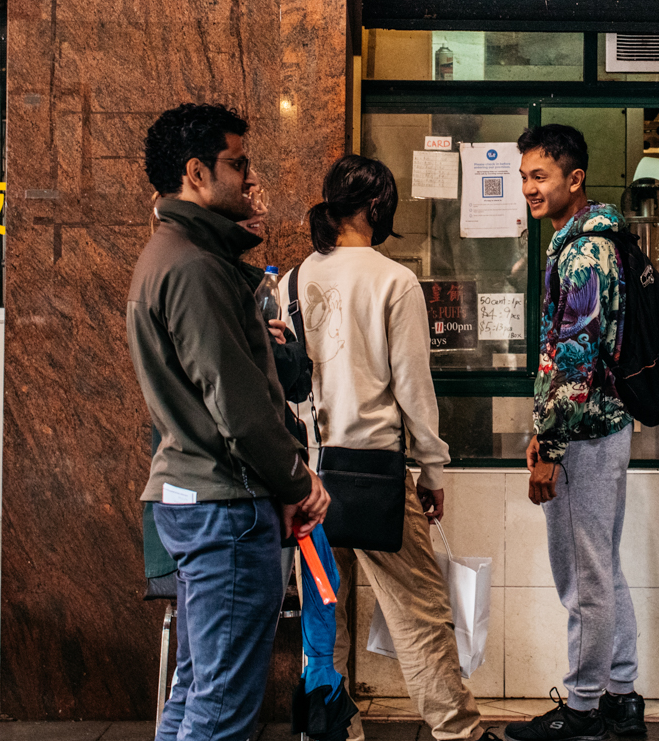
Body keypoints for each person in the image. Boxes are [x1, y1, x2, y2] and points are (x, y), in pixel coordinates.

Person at [127, 103, 330, 741]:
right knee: (220, 711)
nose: (248, 178)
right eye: (237, 163)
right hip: (225, 504)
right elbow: (238, 408)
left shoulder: (171, 256)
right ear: (196, 172)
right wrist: (297, 481)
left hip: (196, 499)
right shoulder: (195, 266)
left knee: (194, 692)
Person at [277, 154, 498, 741]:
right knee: (419, 615)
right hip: (374, 474)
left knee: (324, 615)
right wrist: (431, 469)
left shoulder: (291, 282)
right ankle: (458, 732)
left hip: (308, 479)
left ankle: (332, 730)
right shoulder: (394, 281)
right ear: (378, 207)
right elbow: (412, 389)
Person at [507, 124, 646, 741]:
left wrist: (552, 447)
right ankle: (621, 697)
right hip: (593, 429)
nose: (529, 188)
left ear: (574, 179)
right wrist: (545, 429)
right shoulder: (585, 240)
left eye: (540, 175)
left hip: (586, 435)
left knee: (583, 575)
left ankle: (585, 708)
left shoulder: (587, 251)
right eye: (524, 176)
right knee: (602, 567)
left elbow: (574, 357)